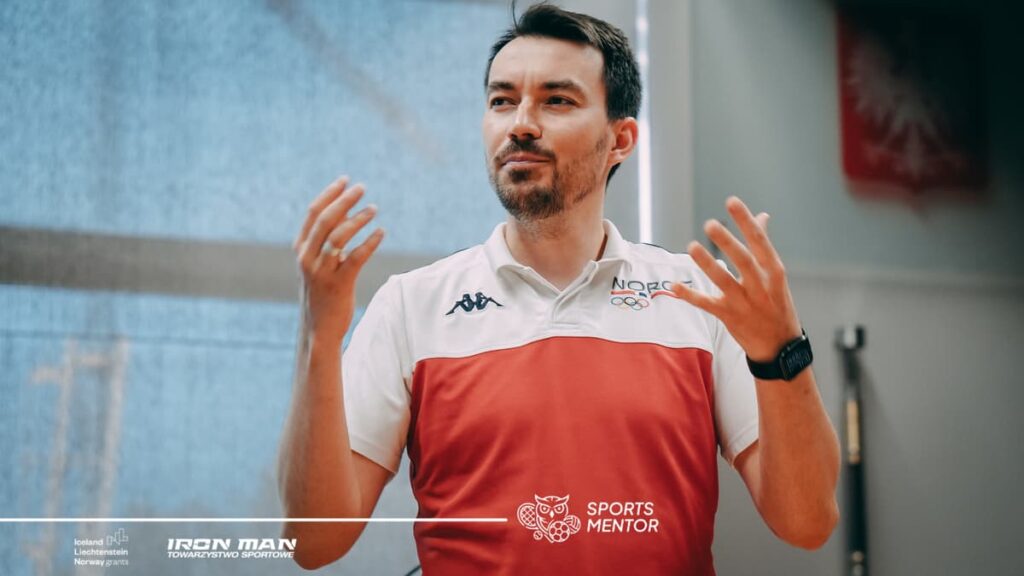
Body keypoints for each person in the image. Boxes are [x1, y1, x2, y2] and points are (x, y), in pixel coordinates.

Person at [277, 4, 839, 574]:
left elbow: (808, 521)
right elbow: (313, 542)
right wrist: (318, 338)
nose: (520, 123)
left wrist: (781, 351)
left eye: (557, 101)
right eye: (502, 101)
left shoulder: (696, 298)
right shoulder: (411, 306)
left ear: (620, 139)